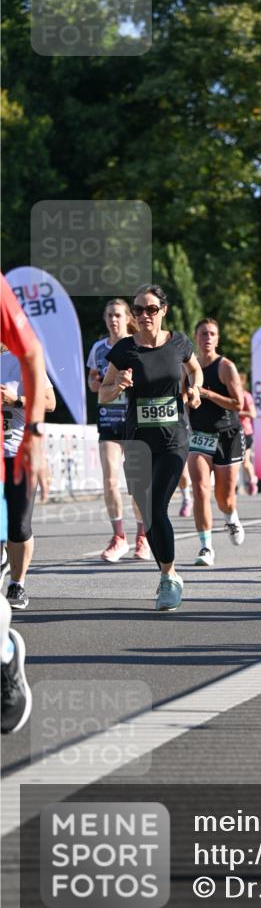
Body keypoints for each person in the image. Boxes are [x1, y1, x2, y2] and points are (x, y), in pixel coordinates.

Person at [100, 285, 203, 611]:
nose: (145, 315)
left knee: (156, 507)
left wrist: (195, 387)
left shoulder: (179, 342)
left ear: (164, 311)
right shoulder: (124, 350)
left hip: (174, 438)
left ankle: (169, 576)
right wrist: (117, 385)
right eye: (139, 310)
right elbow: (102, 393)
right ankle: (167, 573)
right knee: (147, 510)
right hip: (138, 440)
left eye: (151, 309)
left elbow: (195, 369)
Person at [1, 273, 46, 734]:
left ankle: (6, 653)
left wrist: (18, 402)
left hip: (10, 454)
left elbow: (45, 391)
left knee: (19, 529)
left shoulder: (15, 353)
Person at [87, 299, 150, 561]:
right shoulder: (98, 349)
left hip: (135, 420)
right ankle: (118, 536)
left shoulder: (138, 345)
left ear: (127, 318)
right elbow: (92, 381)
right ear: (105, 318)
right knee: (111, 479)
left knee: (137, 484)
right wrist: (96, 382)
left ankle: (142, 537)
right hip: (109, 419)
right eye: (110, 315)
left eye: (118, 315)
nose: (114, 320)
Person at [187, 318, 246, 566]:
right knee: (200, 489)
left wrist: (208, 394)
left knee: (224, 498)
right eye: (203, 333)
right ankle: (206, 547)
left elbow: (238, 404)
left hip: (227, 434)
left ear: (218, 339)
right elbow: (181, 395)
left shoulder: (226, 367)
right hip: (200, 434)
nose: (207, 338)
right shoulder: (188, 367)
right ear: (196, 337)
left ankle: (231, 516)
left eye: (212, 334)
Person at [1, 345, 56, 608]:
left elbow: (50, 402)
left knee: (19, 527)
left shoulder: (22, 359)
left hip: (17, 455)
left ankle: (17, 584)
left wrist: (16, 400)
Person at [238, 371, 259, 495]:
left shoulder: (246, 396)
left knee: (245, 462)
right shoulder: (229, 394)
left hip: (246, 432)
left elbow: (253, 414)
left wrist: (237, 412)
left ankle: (252, 480)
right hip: (233, 432)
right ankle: (236, 486)